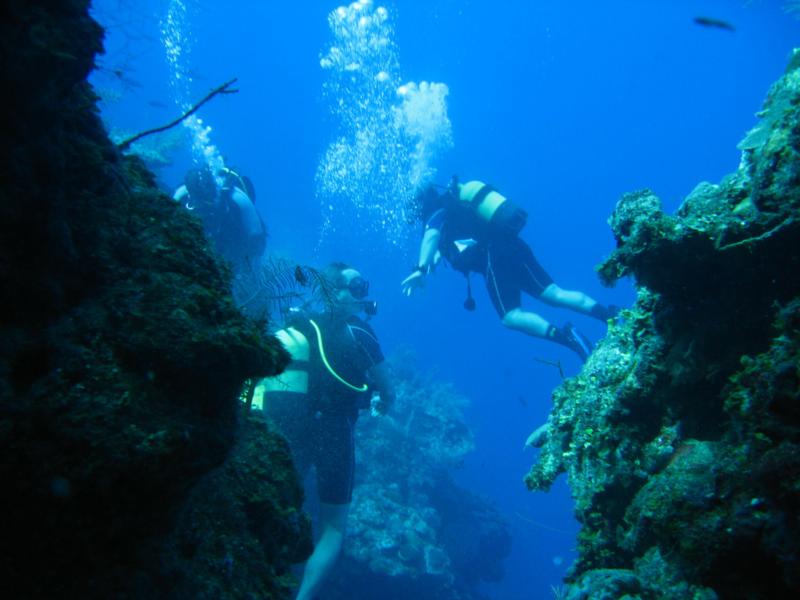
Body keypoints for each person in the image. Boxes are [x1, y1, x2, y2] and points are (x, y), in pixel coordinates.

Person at [259, 263, 395, 600]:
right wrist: (383, 403)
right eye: (358, 287)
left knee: (280, 501)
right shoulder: (359, 331)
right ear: (337, 291)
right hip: (334, 429)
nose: (363, 295)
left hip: (291, 428)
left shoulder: (301, 326)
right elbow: (388, 390)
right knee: (333, 527)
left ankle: (256, 571)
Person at [401, 177, 618, 361]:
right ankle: (610, 317)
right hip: (513, 245)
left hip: (494, 257)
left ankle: (569, 338)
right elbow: (443, 248)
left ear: (421, 203)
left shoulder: (437, 214)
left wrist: (420, 269)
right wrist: (430, 264)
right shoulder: (454, 210)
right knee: (554, 293)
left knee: (511, 316)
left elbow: (431, 236)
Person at [172, 166, 267, 270]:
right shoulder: (180, 197)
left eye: (207, 202)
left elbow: (257, 240)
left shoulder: (238, 199)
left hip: (233, 244)